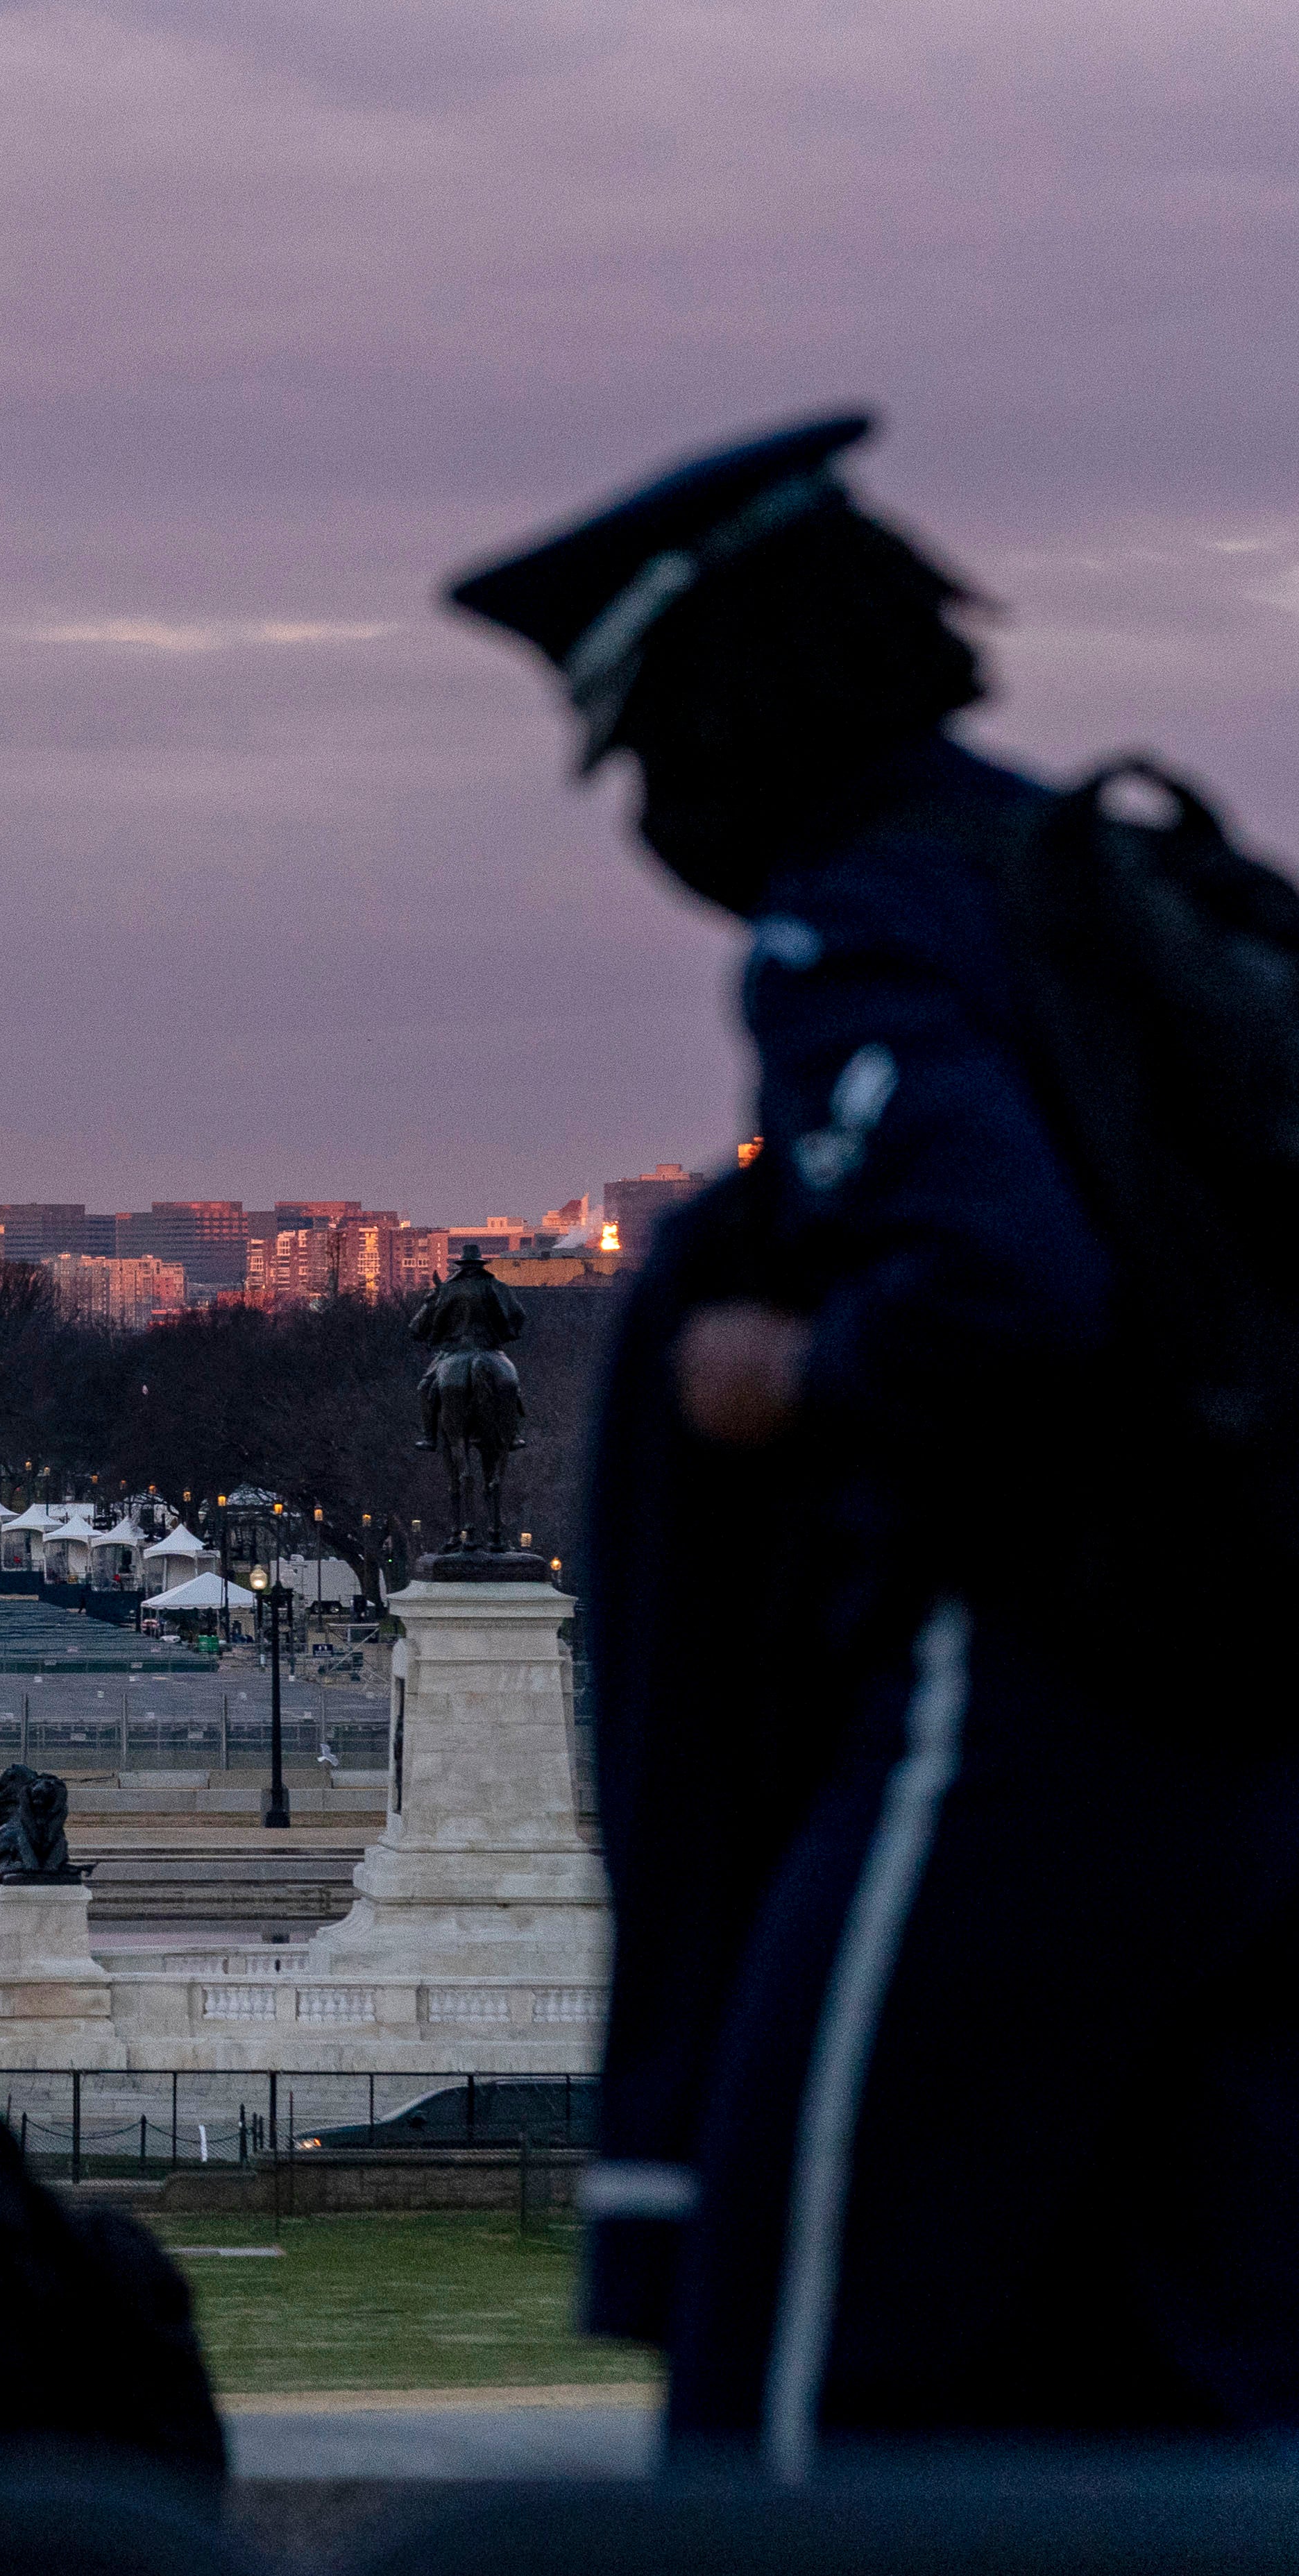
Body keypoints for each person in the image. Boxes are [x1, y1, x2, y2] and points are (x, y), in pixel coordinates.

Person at [448, 413, 1299, 2462]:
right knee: (1179, 2356)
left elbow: (1002, 1292)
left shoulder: (858, 918)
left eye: (646, 738)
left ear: (735, 695)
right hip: (1235, 1690)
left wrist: (782, 1376)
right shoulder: (1070, 876)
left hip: (1012, 1681)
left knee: (799, 2349)